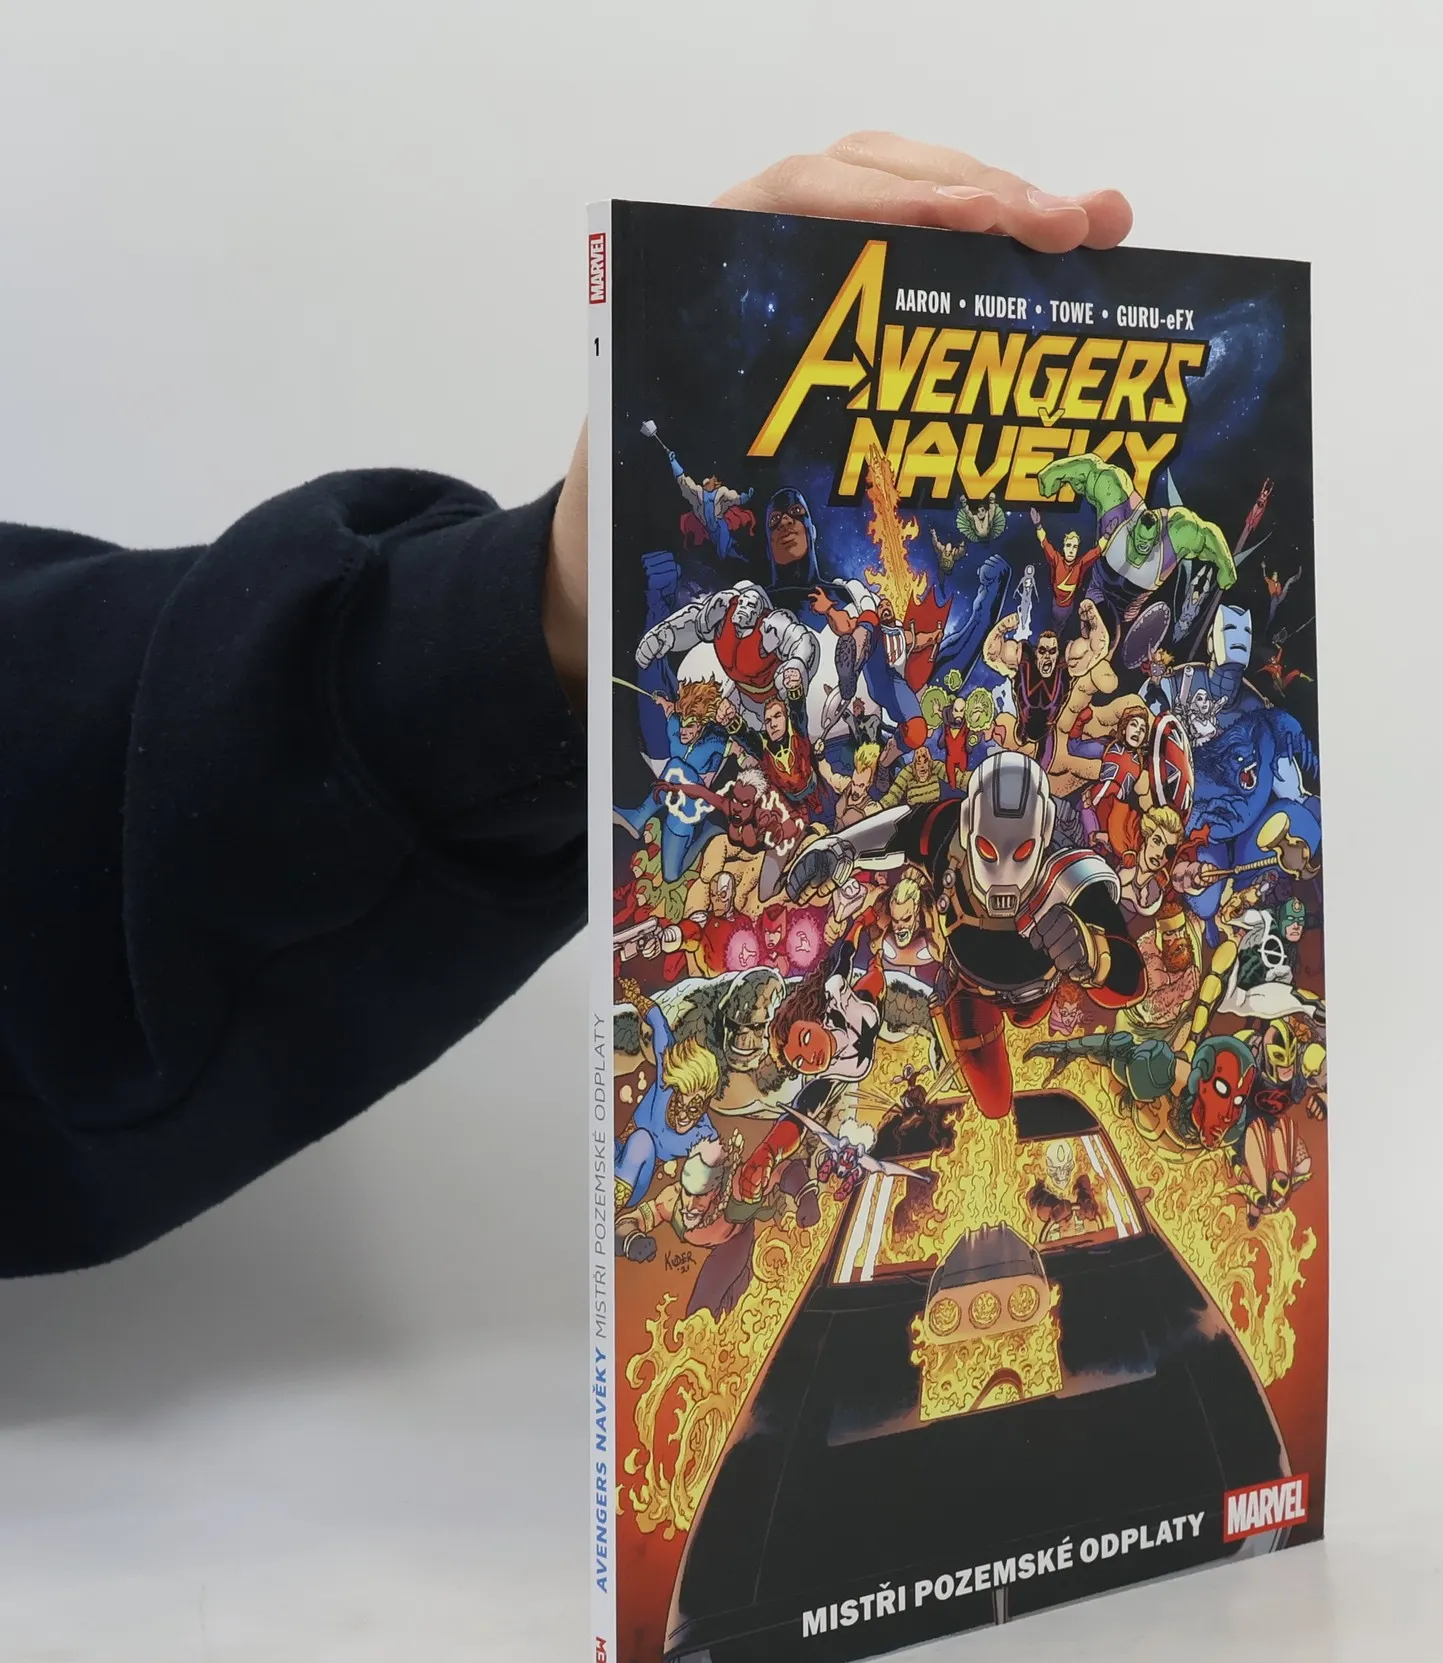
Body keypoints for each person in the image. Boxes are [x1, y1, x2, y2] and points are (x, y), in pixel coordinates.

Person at [0, 134, 1134, 1277]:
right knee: (977, 1076)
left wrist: (533, 612)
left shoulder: (1057, 861)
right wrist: (811, 844)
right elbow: (874, 831)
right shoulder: (916, 804)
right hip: (942, 959)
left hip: (1020, 958)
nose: (998, 856)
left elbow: (1112, 947)